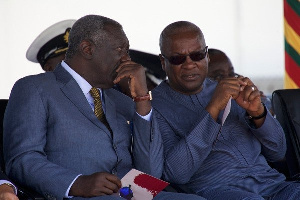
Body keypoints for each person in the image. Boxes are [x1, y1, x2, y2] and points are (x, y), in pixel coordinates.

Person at [4, 15, 204, 200]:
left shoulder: (118, 99)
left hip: (132, 190)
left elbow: (151, 172)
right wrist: (76, 183)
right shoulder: (35, 88)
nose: (127, 59)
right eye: (120, 50)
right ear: (87, 49)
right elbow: (22, 159)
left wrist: (142, 99)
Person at [152, 21, 300, 200]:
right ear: (162, 61)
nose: (189, 64)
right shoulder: (154, 107)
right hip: (219, 190)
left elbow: (278, 151)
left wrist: (258, 114)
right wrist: (213, 108)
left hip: (272, 184)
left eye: (197, 55)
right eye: (177, 58)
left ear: (206, 55)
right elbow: (176, 174)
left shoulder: (228, 89)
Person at [207, 48, 273, 114]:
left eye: (231, 74)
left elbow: (270, 112)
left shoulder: (240, 98)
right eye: (219, 76)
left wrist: (259, 109)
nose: (229, 80)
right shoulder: (204, 107)